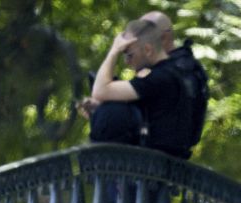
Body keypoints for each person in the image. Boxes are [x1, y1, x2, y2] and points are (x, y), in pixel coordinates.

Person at [84, 12, 209, 159]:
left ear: (149, 48)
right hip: (158, 165)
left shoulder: (162, 76)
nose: (127, 61)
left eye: (129, 54)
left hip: (156, 168)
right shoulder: (166, 73)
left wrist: (114, 50)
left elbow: (100, 91)